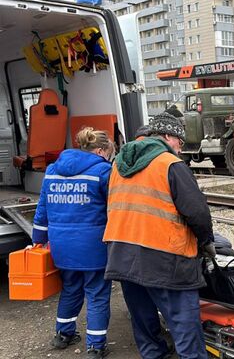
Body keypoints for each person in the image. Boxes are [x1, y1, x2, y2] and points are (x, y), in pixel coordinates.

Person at [102, 112, 216, 359]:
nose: (180, 149)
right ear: (167, 136)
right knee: (184, 326)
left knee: (144, 325)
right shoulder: (170, 164)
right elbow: (197, 212)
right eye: (180, 142)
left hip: (121, 254)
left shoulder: (118, 164)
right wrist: (206, 240)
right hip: (165, 258)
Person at [32, 127, 115, 359]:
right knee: (97, 294)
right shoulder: (103, 171)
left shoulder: (52, 170)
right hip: (94, 247)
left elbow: (42, 210)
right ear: (100, 150)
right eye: (108, 153)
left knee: (70, 289)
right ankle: (95, 346)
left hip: (61, 246)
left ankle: (63, 334)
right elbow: (114, 209)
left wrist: (38, 240)